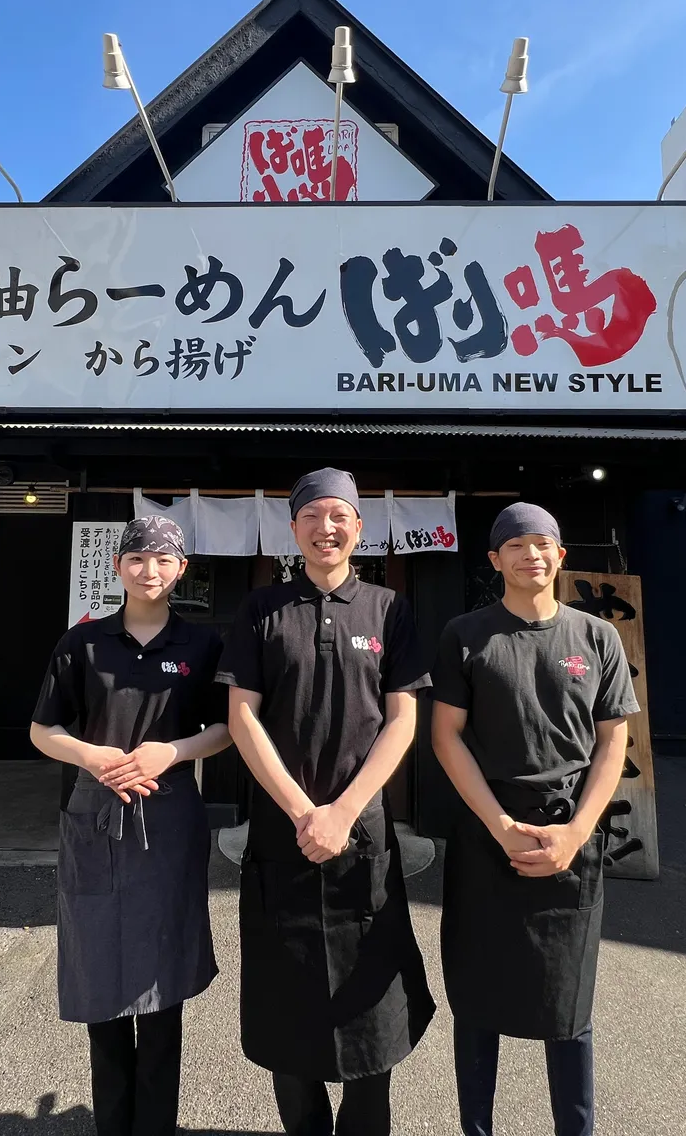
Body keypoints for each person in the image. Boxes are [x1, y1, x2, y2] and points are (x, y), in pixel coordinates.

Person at [217, 467, 435, 1136]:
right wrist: (301, 810)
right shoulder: (261, 611)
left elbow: (402, 720)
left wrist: (341, 811)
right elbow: (241, 716)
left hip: (361, 835)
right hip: (282, 835)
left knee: (372, 999)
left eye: (340, 515)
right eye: (312, 516)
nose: (326, 527)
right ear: (294, 530)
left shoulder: (390, 609)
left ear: (359, 528)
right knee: (291, 1007)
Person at [429, 503, 640, 1136]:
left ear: (560, 556)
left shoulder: (596, 635)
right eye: (515, 546)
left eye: (543, 543)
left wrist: (576, 833)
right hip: (485, 835)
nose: (531, 555)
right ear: (494, 560)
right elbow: (446, 737)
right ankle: (477, 1127)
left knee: (567, 1003)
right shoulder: (465, 635)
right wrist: (498, 824)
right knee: (477, 996)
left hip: (569, 839)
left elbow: (613, 741)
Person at [29, 515, 231, 1136]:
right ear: (117, 568)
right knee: (102, 979)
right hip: (93, 819)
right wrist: (93, 756)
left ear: (181, 570)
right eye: (137, 559)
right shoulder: (81, 644)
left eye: (163, 560)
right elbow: (43, 730)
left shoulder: (202, 647)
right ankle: (112, 1124)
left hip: (169, 819)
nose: (150, 571)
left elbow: (227, 729)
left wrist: (171, 752)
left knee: (162, 982)